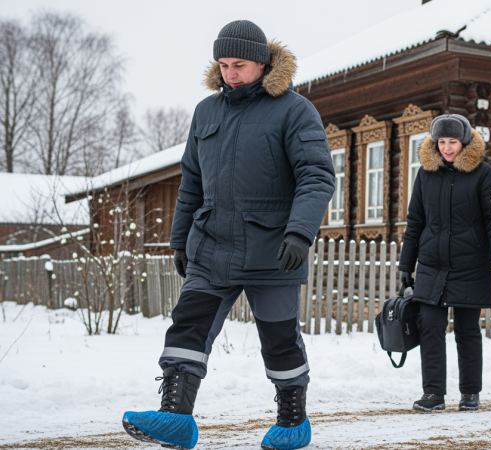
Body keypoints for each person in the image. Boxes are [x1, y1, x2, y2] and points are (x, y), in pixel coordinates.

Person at [121, 20, 335, 450]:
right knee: (188, 328)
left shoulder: (294, 109)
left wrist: (299, 232)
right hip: (212, 245)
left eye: (238, 64)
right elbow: (192, 184)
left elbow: (316, 175)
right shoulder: (207, 112)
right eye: (223, 65)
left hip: (273, 250)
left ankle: (292, 425)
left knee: (279, 340)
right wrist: (180, 239)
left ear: (261, 62)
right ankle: (176, 419)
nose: (230, 74)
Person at [398, 114, 491, 412]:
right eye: (442, 142)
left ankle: (470, 393)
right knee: (430, 327)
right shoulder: (425, 174)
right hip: (433, 264)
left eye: (453, 142)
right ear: (435, 143)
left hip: (470, 263)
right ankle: (433, 394)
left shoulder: (483, 173)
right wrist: (405, 265)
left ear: (464, 142)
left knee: (466, 329)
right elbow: (415, 222)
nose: (448, 148)